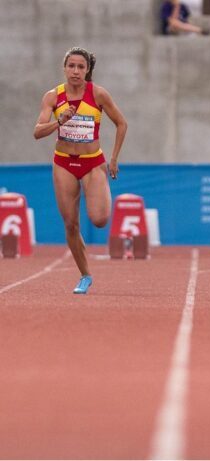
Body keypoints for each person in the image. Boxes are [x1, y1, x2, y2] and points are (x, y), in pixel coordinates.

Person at [33, 47, 127, 295]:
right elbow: (37, 132)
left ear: (88, 70)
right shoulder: (53, 97)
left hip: (92, 162)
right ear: (64, 68)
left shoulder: (98, 94)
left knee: (99, 219)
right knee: (71, 224)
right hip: (64, 162)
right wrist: (59, 121)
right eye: (71, 66)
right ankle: (85, 275)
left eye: (81, 67)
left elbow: (121, 123)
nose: (75, 71)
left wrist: (114, 158)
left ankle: (100, 191)